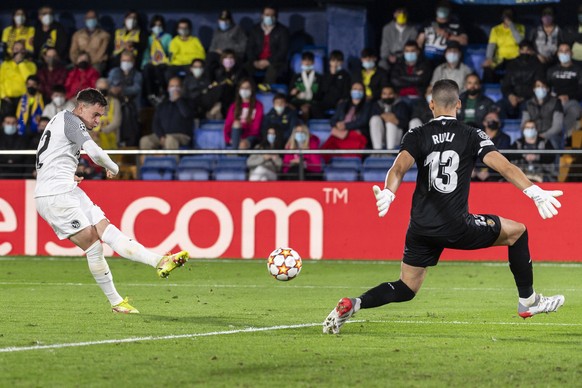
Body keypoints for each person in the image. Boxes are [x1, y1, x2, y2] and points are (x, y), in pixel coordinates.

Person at [323, 79, 565, 335]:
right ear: (458, 104)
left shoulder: (416, 134)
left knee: (406, 287)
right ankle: (528, 301)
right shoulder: (472, 134)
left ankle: (354, 304)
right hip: (456, 225)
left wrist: (388, 192)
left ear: (431, 105)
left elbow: (398, 168)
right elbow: (504, 166)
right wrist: (533, 191)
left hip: (420, 226)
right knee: (518, 232)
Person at [35, 88, 189, 313]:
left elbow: (45, 156)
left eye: (101, 116)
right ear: (81, 108)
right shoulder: (72, 121)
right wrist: (113, 167)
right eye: (95, 115)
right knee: (93, 245)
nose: (98, 121)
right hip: (54, 195)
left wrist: (67, 174)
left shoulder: (59, 121)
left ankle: (159, 261)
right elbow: (95, 154)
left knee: (105, 229)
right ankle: (117, 303)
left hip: (65, 187)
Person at [139, 77, 194, 151]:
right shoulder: (162, 105)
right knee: (145, 140)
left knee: (170, 139)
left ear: (181, 88)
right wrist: (161, 136)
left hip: (182, 135)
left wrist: (178, 100)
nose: (174, 89)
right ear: (168, 89)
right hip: (163, 135)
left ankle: (173, 162)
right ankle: (148, 162)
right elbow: (156, 123)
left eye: (177, 86)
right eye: (172, 86)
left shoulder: (188, 102)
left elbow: (187, 114)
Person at [322, 82, 370, 163]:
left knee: (351, 151)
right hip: (339, 134)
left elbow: (363, 121)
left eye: (360, 89)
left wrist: (346, 126)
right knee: (326, 148)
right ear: (350, 91)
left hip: (356, 134)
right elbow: (333, 120)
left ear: (364, 92)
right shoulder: (343, 104)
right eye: (355, 89)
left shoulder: (367, 105)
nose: (357, 91)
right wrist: (336, 124)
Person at [498, 40, 544, 119]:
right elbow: (506, 85)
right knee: (499, 106)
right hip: (513, 97)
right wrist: (510, 95)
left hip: (529, 98)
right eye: (522, 50)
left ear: (532, 51)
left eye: (528, 50)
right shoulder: (512, 64)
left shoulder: (539, 65)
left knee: (527, 107)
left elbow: (540, 86)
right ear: (519, 51)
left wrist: (523, 98)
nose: (525, 52)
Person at [245, 5, 290, 85]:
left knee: (274, 69)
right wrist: (255, 61)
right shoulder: (254, 30)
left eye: (272, 15)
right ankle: (249, 89)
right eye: (267, 15)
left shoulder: (283, 30)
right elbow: (249, 48)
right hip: (257, 60)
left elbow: (283, 51)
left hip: (274, 62)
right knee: (245, 68)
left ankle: (265, 90)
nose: (269, 17)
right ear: (262, 16)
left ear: (276, 17)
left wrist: (268, 61)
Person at [546, 43, 582, 141]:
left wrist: (568, 97)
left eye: (566, 51)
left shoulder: (578, 70)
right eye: (561, 51)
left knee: (574, 111)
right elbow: (546, 88)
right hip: (554, 101)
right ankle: (549, 138)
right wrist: (554, 97)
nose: (564, 53)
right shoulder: (551, 70)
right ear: (557, 54)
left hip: (572, 101)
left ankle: (566, 136)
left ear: (571, 53)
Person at [416, 1, 468, 66]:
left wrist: (449, 36)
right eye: (441, 7)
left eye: (445, 7)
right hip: (427, 60)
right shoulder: (428, 23)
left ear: (449, 10)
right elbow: (419, 42)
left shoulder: (456, 25)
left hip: (446, 61)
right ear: (436, 9)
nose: (442, 10)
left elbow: (464, 41)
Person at [482, 8, 525, 83]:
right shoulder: (496, 29)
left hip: (516, 57)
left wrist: (511, 26)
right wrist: (489, 58)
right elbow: (491, 45)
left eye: (509, 16)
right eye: (505, 16)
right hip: (500, 58)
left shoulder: (520, 27)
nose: (507, 19)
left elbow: (520, 41)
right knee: (487, 68)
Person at [521, 78, 564, 150]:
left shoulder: (556, 102)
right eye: (537, 86)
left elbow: (558, 126)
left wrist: (544, 135)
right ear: (534, 89)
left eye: (543, 86)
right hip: (533, 134)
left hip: (551, 136)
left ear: (547, 89)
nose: (540, 88)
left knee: (553, 144)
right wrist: (533, 135)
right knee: (523, 142)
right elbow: (524, 123)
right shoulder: (528, 103)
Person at [224, 78, 264, 150]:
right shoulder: (234, 106)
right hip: (236, 135)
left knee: (243, 144)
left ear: (251, 89)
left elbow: (256, 127)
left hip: (251, 136)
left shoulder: (258, 105)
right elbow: (228, 125)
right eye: (242, 88)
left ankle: (235, 154)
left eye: (247, 88)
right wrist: (228, 139)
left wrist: (244, 139)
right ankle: (235, 152)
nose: (244, 90)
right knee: (236, 123)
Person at [472, 111, 511, 182]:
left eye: (495, 119)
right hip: (476, 173)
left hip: (495, 173)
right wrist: (476, 170)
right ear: (484, 122)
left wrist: (489, 172)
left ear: (499, 123)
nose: (493, 120)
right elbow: (472, 154)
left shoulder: (505, 138)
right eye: (490, 118)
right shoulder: (476, 136)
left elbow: (501, 156)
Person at [141, 15, 172, 103]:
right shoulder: (150, 38)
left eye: (159, 25)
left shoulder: (167, 37)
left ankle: (163, 93)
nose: (157, 27)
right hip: (152, 61)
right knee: (146, 68)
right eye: (155, 25)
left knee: (159, 69)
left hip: (164, 62)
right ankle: (150, 94)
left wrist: (168, 61)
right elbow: (147, 52)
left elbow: (170, 52)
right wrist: (146, 62)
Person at [369, 85, 411, 150]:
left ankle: (390, 152)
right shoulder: (376, 105)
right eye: (384, 94)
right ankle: (377, 151)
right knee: (374, 119)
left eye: (390, 93)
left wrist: (395, 120)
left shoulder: (401, 105)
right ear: (381, 95)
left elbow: (405, 124)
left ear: (395, 94)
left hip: (396, 136)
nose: (387, 96)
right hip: (382, 136)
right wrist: (385, 116)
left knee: (390, 123)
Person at [69, 10, 111, 74]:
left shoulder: (105, 35)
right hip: (79, 62)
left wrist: (87, 62)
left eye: (93, 18)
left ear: (97, 19)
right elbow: (73, 52)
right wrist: (79, 61)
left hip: (96, 63)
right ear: (85, 19)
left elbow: (101, 53)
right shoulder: (77, 34)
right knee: (68, 70)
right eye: (88, 18)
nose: (91, 20)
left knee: (94, 71)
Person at [0, 41, 38, 105]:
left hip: (24, 98)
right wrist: (3, 96)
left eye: (21, 50)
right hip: (6, 98)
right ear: (12, 51)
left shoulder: (31, 65)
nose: (19, 52)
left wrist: (21, 63)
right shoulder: (5, 64)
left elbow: (29, 80)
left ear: (24, 51)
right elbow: (0, 81)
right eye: (16, 49)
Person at [289, 51, 323, 120]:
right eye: (305, 60)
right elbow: (290, 92)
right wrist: (293, 92)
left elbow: (321, 94)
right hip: (298, 102)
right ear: (301, 62)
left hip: (313, 102)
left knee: (306, 109)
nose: (307, 63)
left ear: (313, 62)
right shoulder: (296, 77)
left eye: (309, 61)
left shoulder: (319, 77)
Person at [317, 50, 351, 117]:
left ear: (342, 62)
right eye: (333, 61)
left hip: (339, 101)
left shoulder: (346, 75)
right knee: (315, 106)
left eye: (338, 61)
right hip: (327, 101)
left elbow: (346, 91)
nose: (335, 63)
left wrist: (342, 99)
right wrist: (332, 75)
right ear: (330, 62)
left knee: (343, 106)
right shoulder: (325, 75)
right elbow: (323, 89)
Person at [91, 78, 121, 150]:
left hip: (110, 137)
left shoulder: (115, 102)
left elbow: (116, 122)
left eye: (104, 89)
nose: (102, 91)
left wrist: (102, 131)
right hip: (94, 139)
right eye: (100, 89)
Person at [16, 75, 44, 144]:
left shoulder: (43, 98)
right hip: (23, 129)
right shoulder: (21, 98)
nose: (31, 87)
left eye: (33, 85)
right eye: (29, 84)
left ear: (38, 86)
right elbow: (17, 114)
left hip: (37, 132)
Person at [0, 114, 28, 178]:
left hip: (18, 172)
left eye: (13, 123)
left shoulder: (23, 139)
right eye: (8, 123)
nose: (11, 125)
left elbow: (22, 156)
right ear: (3, 124)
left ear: (17, 124)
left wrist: (10, 161)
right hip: (1, 171)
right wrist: (8, 161)